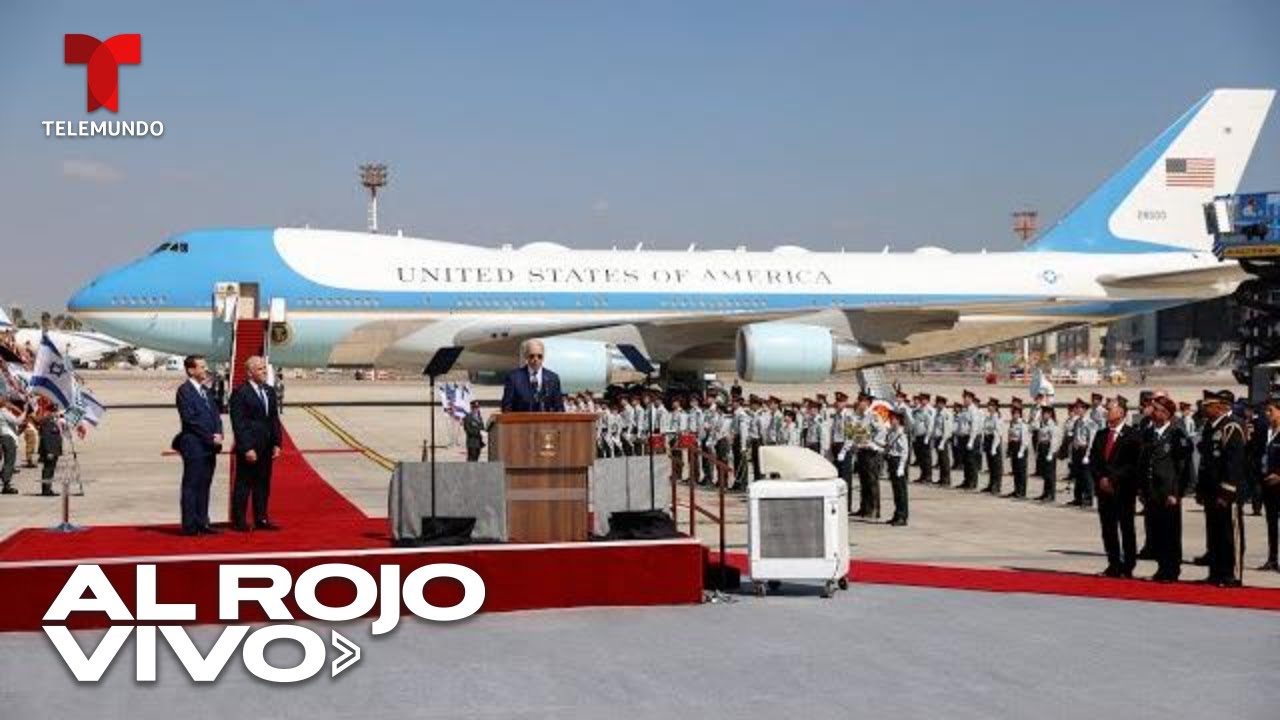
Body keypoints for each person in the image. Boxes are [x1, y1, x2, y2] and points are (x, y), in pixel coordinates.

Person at [1197, 390, 1246, 587]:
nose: (1204, 409)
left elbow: (1234, 462)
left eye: (1208, 406)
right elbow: (1205, 462)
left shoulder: (1232, 426)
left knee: (1229, 533)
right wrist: (1201, 488)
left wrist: (1227, 491)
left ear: (1219, 407)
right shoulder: (1210, 427)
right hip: (1210, 489)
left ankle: (1232, 574)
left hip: (1227, 492)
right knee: (1214, 532)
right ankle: (1216, 572)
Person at [1141, 396, 1192, 582]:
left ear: (1167, 413)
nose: (1155, 413)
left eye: (1159, 410)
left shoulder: (1176, 433)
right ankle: (1162, 568)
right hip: (1152, 490)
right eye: (1154, 409)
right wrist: (1143, 490)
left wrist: (1176, 492)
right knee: (1157, 532)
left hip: (1168, 491)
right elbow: (1144, 462)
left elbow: (1182, 467)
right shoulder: (1149, 433)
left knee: (1170, 532)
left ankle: (1171, 570)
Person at [228, 356, 282, 532]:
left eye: (264, 369)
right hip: (250, 446)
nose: (264, 372)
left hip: (266, 446)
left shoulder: (269, 391)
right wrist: (246, 447)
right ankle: (239, 520)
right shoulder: (240, 393)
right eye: (260, 370)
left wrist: (277, 442)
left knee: (263, 483)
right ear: (250, 373)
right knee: (244, 484)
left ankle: (261, 518)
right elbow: (239, 423)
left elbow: (274, 419)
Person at [1090, 396, 1142, 578]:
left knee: (1126, 528)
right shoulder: (1101, 434)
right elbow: (1094, 460)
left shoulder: (1133, 435)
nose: (1106, 412)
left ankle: (1128, 566)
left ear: (1121, 412)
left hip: (1123, 490)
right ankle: (1113, 563)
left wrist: (1112, 479)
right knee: (1108, 528)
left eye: (1110, 409)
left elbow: (1133, 464)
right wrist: (1101, 479)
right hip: (1104, 490)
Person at [172, 355, 223, 535]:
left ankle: (203, 522)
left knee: (204, 484)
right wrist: (210, 437)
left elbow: (215, 415)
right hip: (194, 445)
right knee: (192, 485)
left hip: (210, 446)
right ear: (191, 370)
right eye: (201, 367)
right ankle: (190, 526)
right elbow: (190, 420)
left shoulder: (206, 391)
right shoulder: (184, 391)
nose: (205, 370)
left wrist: (219, 433)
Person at [500, 339, 564, 412]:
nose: (535, 359)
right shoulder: (513, 378)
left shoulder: (553, 378)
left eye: (539, 356)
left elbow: (559, 407)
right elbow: (506, 407)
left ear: (543, 357)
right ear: (526, 356)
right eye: (532, 356)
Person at [1255, 398, 1280, 573]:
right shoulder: (1265, 432)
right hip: (1267, 484)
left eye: (1271, 410)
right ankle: (1272, 559)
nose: (1267, 414)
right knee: (1271, 523)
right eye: (1266, 411)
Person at [885, 409, 910, 526]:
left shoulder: (901, 434)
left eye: (893, 419)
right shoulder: (892, 432)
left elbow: (905, 452)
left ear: (899, 420)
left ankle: (902, 516)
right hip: (892, 461)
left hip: (898, 462)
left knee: (901, 492)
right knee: (895, 491)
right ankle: (897, 514)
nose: (891, 420)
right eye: (890, 418)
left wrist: (901, 467)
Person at [0, 394, 27, 495]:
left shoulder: (5, 412)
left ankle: (5, 477)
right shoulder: (3, 412)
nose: (8, 403)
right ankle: (6, 485)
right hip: (8, 438)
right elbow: (18, 421)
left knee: (9, 461)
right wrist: (24, 412)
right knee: (9, 461)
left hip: (7, 437)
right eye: (6, 401)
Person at [35, 400, 62, 497]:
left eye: (56, 411)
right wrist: (48, 451)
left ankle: (48, 488)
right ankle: (46, 489)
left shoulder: (54, 422)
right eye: (54, 411)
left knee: (51, 470)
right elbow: (46, 438)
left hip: (54, 450)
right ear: (50, 412)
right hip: (49, 451)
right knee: (47, 469)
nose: (56, 413)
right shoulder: (47, 422)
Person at [1036, 406, 1061, 502]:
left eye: (1045, 413)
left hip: (1049, 449)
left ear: (1050, 414)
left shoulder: (1052, 425)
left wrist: (1050, 453)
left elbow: (1054, 441)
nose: (1043, 415)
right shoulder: (1043, 424)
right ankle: (1045, 493)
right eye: (1043, 413)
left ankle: (1051, 494)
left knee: (1050, 474)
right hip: (1043, 448)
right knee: (1045, 473)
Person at [1006, 401, 1031, 498]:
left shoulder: (1023, 425)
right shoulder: (1012, 423)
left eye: (1016, 413)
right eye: (1013, 413)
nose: (1015, 415)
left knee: (1021, 471)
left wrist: (1021, 451)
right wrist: (1009, 449)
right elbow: (1010, 436)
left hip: (1021, 448)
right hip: (1014, 447)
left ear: (1020, 414)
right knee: (1015, 470)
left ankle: (1022, 491)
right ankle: (1016, 489)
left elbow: (1025, 440)